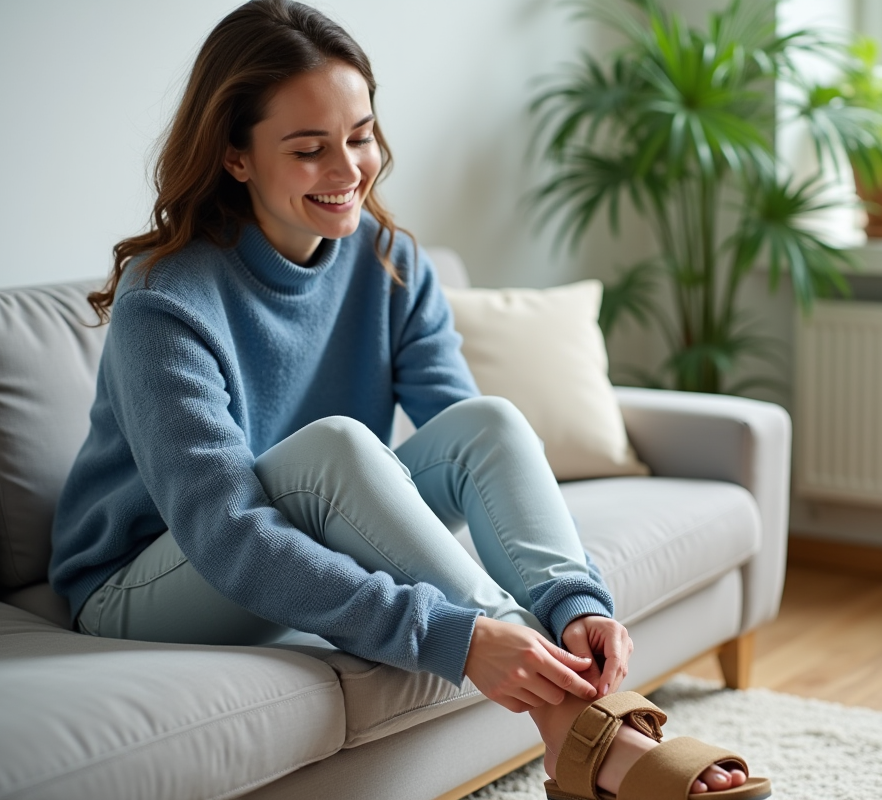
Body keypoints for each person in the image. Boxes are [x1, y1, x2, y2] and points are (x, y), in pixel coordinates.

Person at [48, 2, 769, 797]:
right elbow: (228, 533)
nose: (350, 168)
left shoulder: (388, 262)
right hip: (141, 584)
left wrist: (574, 600)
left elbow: (466, 446)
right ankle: (583, 727)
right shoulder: (167, 301)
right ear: (236, 157)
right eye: (309, 148)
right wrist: (457, 636)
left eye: (359, 135)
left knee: (488, 421)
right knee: (339, 447)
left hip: (284, 539)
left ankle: (570, 654)